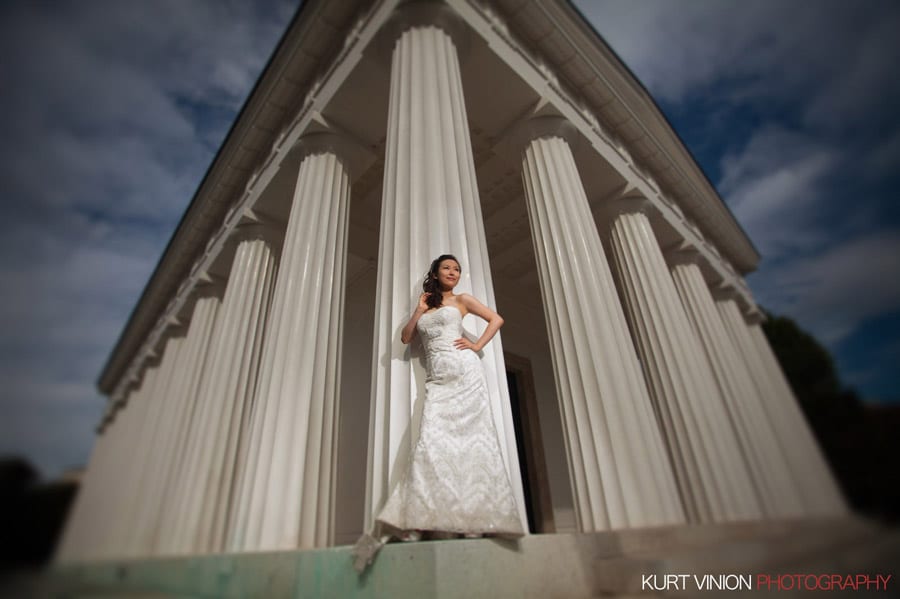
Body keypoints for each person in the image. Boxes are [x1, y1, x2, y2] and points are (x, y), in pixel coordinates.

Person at [352, 254, 524, 572]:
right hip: (438, 380)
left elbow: (496, 319)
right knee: (432, 442)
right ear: (435, 272)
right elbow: (406, 338)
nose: (453, 273)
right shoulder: (426, 306)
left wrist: (476, 345)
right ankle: (419, 517)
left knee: (474, 442)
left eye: (457, 269)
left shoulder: (463, 300)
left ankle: (476, 518)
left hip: (465, 374)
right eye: (447, 268)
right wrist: (418, 310)